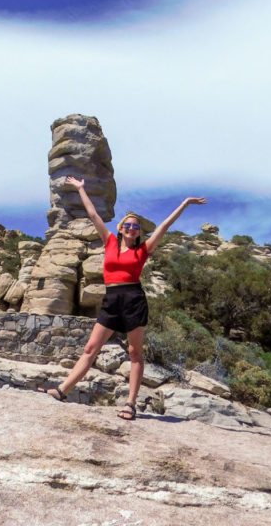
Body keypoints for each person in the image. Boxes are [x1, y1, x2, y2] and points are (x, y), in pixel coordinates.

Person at [40, 176, 206, 420]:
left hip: (133, 298)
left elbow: (164, 226)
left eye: (136, 226)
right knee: (90, 348)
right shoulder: (109, 242)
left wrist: (185, 203)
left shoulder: (144, 249)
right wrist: (80, 188)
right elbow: (94, 214)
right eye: (127, 225)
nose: (131, 228)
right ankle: (62, 391)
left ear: (139, 232)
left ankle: (130, 404)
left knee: (134, 352)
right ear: (120, 228)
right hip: (111, 299)